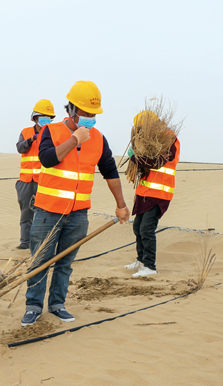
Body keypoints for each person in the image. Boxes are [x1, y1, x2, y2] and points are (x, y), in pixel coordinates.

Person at [21, 81, 130, 327]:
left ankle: (57, 304)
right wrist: (73, 140)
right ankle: (33, 306)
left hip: (78, 214)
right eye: (85, 113)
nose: (90, 118)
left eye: (93, 114)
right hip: (48, 212)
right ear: (70, 109)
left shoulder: (99, 139)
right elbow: (47, 159)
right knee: (40, 260)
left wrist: (121, 205)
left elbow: (110, 171)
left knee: (65, 262)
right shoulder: (53, 131)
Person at [124, 111, 180, 277]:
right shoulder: (151, 140)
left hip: (159, 194)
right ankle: (141, 260)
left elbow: (158, 162)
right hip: (145, 192)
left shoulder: (169, 139)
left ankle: (150, 266)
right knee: (138, 227)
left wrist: (135, 158)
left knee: (147, 229)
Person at [15, 99, 56, 249]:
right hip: (25, 181)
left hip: (44, 181)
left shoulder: (53, 133)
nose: (46, 120)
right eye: (42, 116)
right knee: (26, 212)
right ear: (35, 117)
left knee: (43, 213)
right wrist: (31, 140)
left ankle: (40, 243)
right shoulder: (26, 132)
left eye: (49, 117)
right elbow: (20, 148)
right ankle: (25, 243)